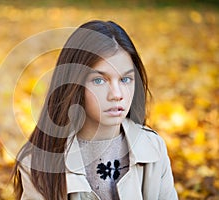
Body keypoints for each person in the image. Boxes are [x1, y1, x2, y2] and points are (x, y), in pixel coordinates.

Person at [12, 20, 178, 200]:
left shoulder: (153, 148)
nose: (116, 94)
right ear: (74, 84)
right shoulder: (37, 162)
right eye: (99, 80)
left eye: (125, 79)